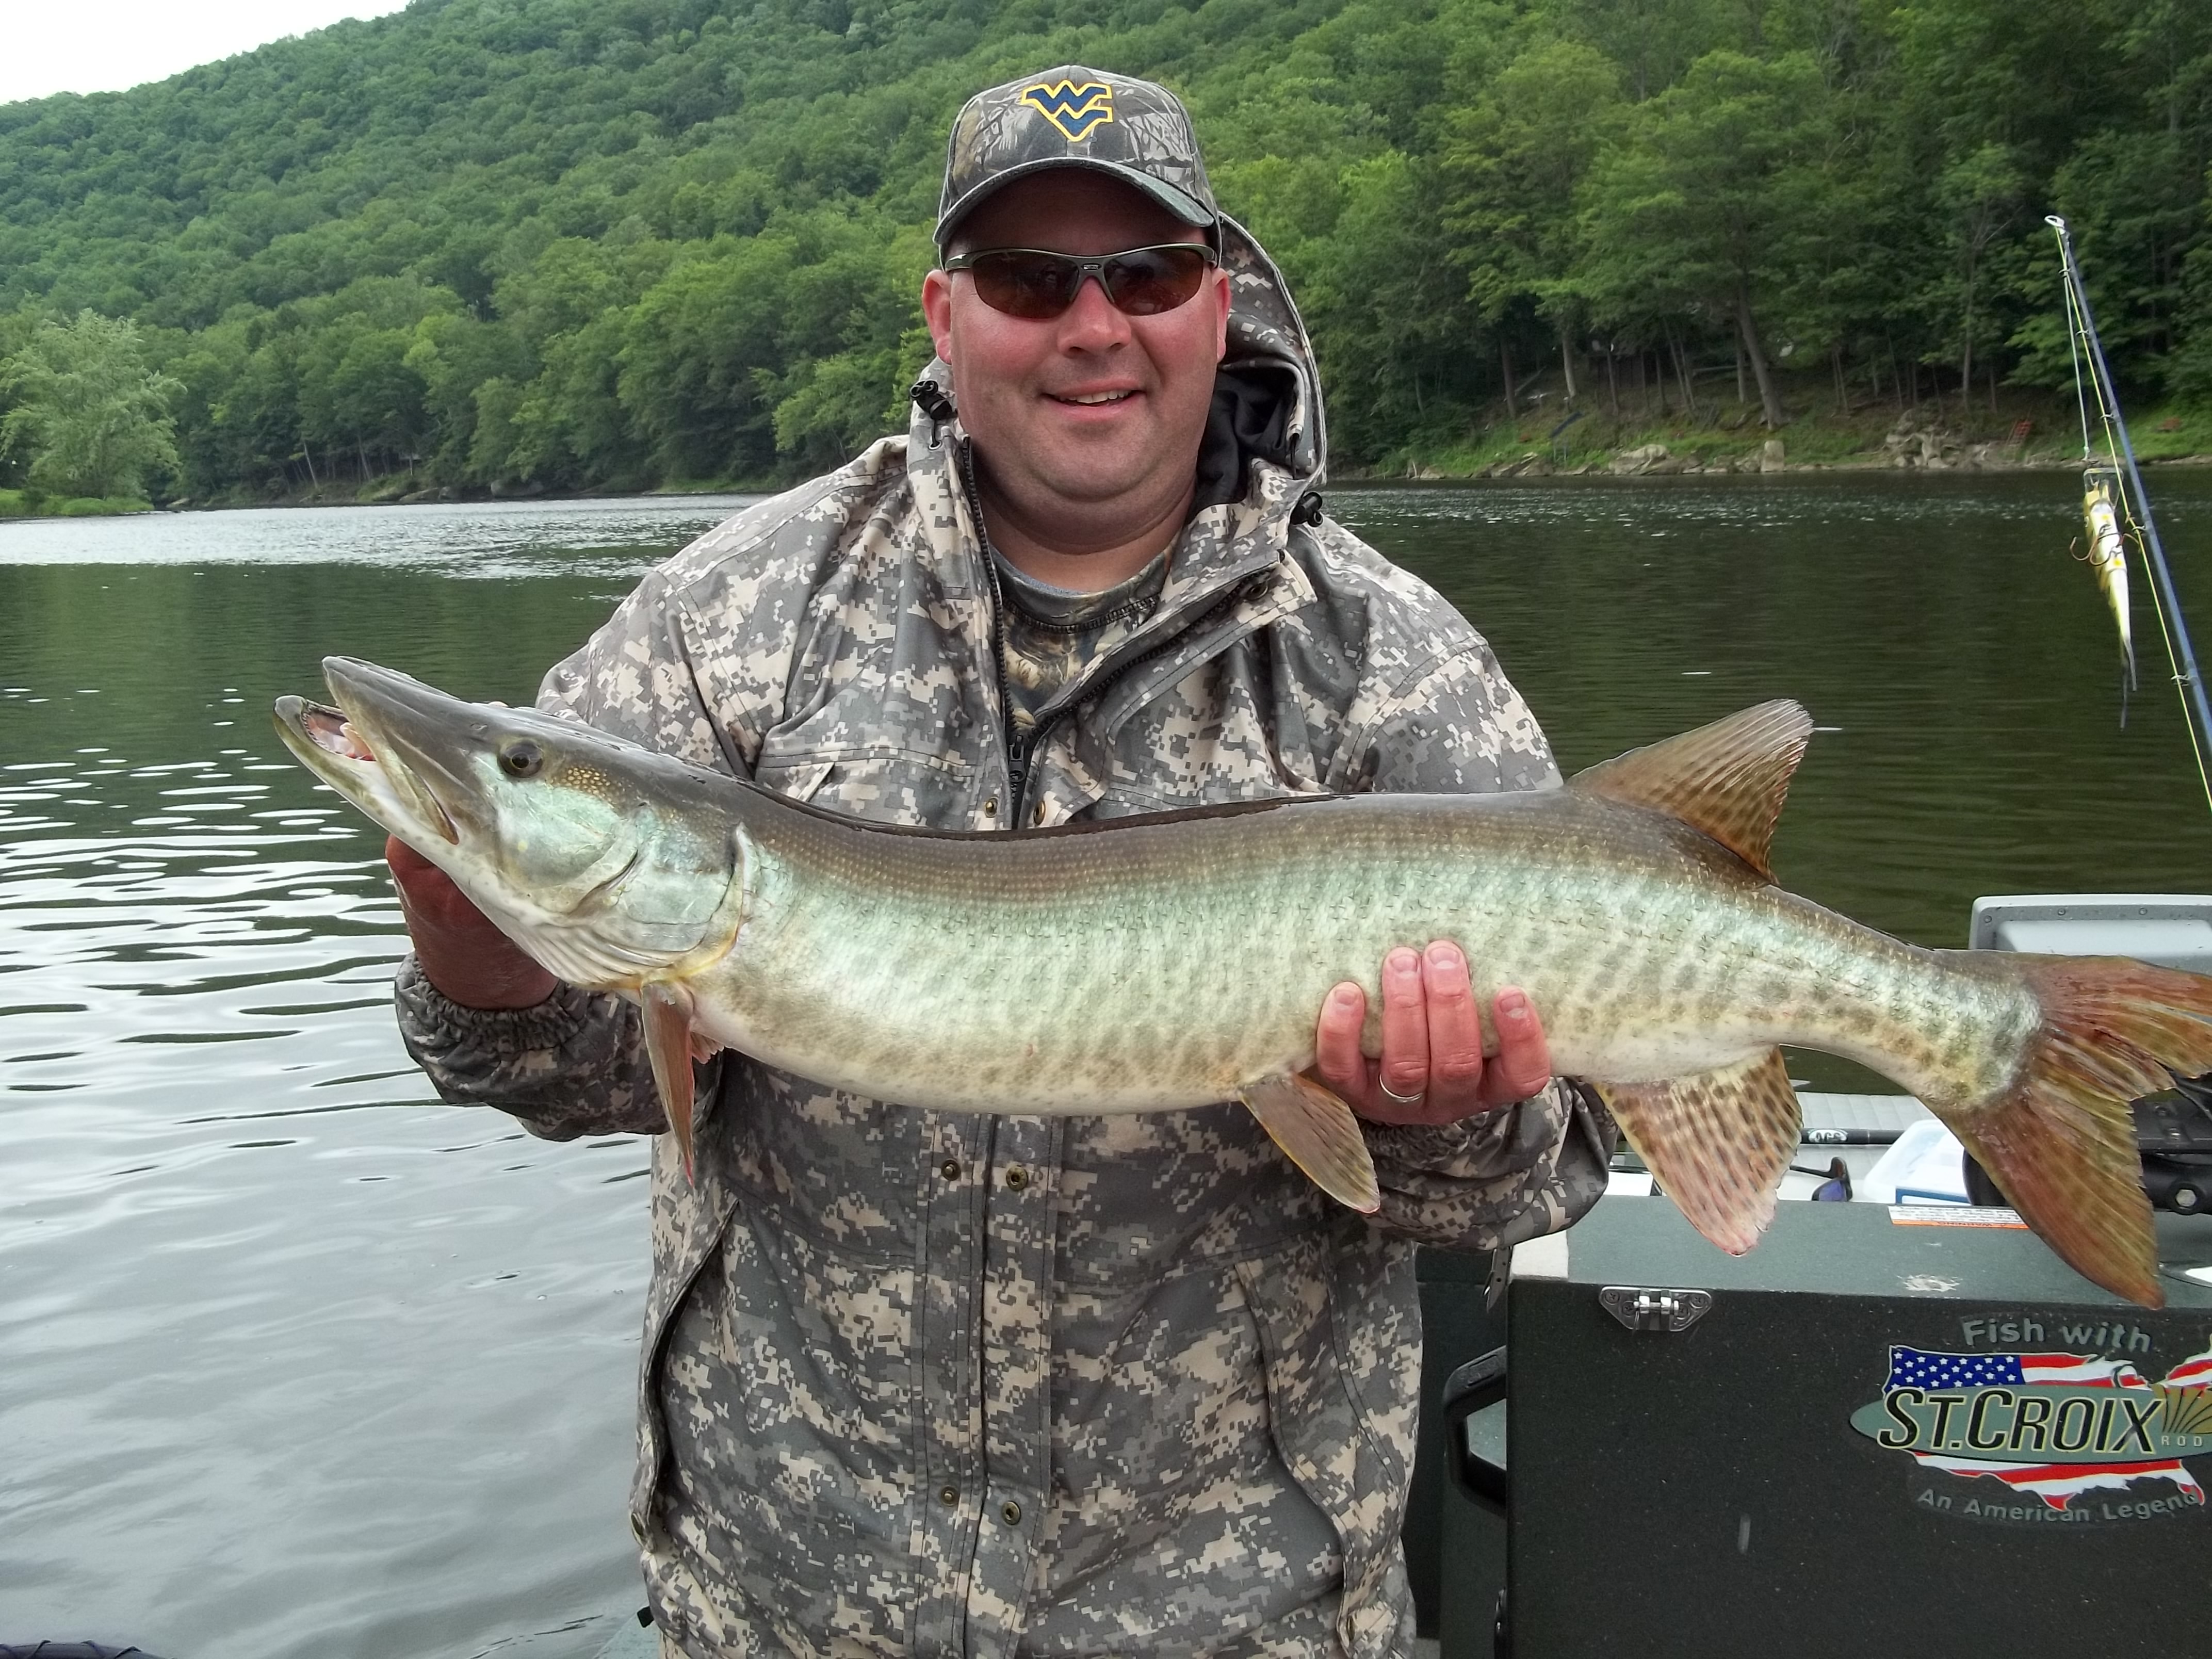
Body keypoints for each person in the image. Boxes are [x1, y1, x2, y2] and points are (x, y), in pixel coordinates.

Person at [391, 66, 1612, 1658]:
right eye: (1032, 281)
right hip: (791, 1599)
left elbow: (1531, 1175)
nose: (1092, 327)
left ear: (1215, 304)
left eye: (1147, 276)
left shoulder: (1389, 662)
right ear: (947, 315)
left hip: (1236, 1617)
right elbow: (562, 1072)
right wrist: (476, 945)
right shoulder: (734, 618)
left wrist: (1439, 1115)